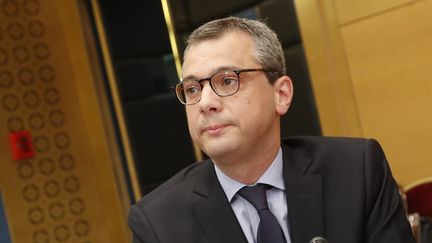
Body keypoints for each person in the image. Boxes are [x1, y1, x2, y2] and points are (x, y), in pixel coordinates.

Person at [128, 17, 415, 243]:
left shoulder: (356, 171)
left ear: (281, 94)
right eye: (192, 89)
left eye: (227, 81)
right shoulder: (158, 223)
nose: (205, 103)